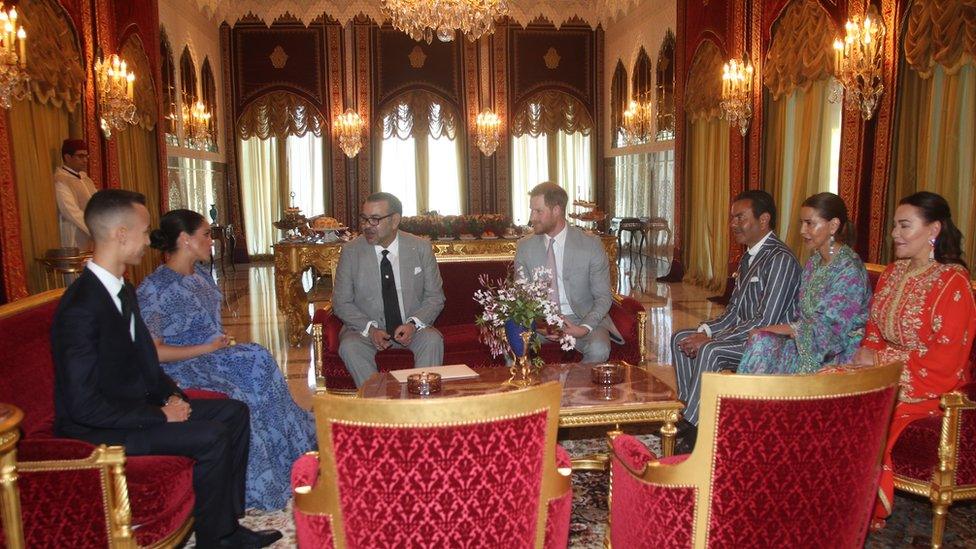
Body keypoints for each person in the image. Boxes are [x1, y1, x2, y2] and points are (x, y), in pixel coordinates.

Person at [51, 189, 281, 548]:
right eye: (143, 232)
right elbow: (82, 406)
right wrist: (161, 415)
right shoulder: (81, 307)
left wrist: (173, 396)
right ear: (121, 234)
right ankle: (215, 540)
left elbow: (146, 361)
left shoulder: (121, 289)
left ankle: (226, 526)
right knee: (212, 435)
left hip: (136, 405)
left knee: (234, 413)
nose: (148, 240)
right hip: (101, 426)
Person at [137, 209, 315, 511]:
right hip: (181, 367)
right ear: (185, 240)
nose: (211, 241)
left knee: (259, 358)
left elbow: (208, 328)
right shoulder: (154, 289)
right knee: (247, 387)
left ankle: (292, 454)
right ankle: (260, 481)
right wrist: (205, 349)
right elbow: (153, 352)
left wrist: (216, 344)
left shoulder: (201, 275)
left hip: (210, 356)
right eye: (205, 235)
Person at [852, 192, 975, 528]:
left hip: (931, 387)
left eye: (905, 225)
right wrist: (866, 362)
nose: (895, 233)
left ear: (934, 229)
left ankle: (854, 505)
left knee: (864, 411)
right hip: (886, 371)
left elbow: (945, 362)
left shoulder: (954, 283)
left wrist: (878, 361)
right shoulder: (894, 272)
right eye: (894, 225)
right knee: (826, 384)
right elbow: (873, 332)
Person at [671, 190, 801, 451]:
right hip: (746, 338)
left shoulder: (780, 259)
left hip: (772, 344)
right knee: (680, 338)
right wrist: (704, 329)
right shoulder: (747, 257)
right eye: (732, 218)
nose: (733, 225)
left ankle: (699, 430)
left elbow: (766, 320)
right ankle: (689, 412)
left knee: (709, 349)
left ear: (763, 220)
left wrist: (710, 339)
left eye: (739, 218)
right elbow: (733, 312)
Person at [738, 192, 870, 374]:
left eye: (810, 223)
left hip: (835, 354)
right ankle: (749, 400)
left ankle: (751, 401)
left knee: (762, 344)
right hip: (805, 343)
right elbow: (801, 316)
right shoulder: (814, 262)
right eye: (802, 223)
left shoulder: (849, 270)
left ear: (833, 225)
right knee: (761, 342)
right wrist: (768, 331)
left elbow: (829, 333)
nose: (802, 230)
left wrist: (771, 329)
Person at [332, 192, 446, 387]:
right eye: (364, 219)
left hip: (413, 328)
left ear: (394, 220)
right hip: (365, 330)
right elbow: (341, 302)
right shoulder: (351, 251)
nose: (367, 225)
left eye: (375, 219)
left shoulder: (420, 248)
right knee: (349, 346)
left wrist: (412, 324)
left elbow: (435, 297)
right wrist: (370, 329)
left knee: (432, 340)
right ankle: (380, 407)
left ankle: (421, 407)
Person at [514, 182, 621, 362]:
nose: (532, 217)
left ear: (557, 210)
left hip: (582, 317)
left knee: (599, 349)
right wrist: (540, 324)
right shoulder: (525, 247)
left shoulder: (590, 245)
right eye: (532, 210)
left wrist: (585, 327)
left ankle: (575, 390)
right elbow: (521, 296)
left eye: (538, 211)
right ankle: (530, 390)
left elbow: (603, 296)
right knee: (511, 344)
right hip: (540, 321)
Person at [53, 139, 98, 249]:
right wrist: (94, 230)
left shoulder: (86, 178)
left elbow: (97, 203)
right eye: (80, 156)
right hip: (74, 233)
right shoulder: (61, 179)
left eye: (86, 156)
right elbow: (70, 211)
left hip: (93, 233)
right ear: (68, 157)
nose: (85, 160)